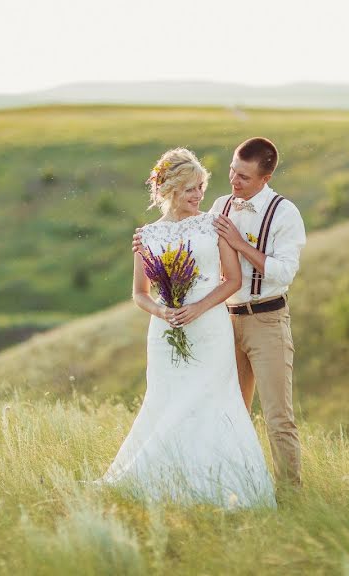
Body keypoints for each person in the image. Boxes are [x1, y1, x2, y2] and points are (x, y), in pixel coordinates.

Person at [97, 147, 276, 509]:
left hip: (209, 328)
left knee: (214, 401)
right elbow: (138, 295)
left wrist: (197, 308)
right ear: (172, 190)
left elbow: (232, 279)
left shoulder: (212, 225)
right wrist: (164, 313)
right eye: (191, 189)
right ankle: (164, 485)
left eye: (201, 187)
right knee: (167, 402)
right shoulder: (145, 236)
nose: (199, 196)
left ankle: (223, 487)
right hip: (165, 334)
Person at [134, 137, 306, 488]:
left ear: (265, 178)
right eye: (231, 172)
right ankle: (235, 484)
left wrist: (240, 244)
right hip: (224, 322)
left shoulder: (284, 213)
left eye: (243, 177)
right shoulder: (219, 206)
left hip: (266, 320)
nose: (233, 181)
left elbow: (284, 272)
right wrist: (147, 245)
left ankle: (291, 493)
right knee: (230, 413)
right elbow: (187, 236)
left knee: (278, 416)